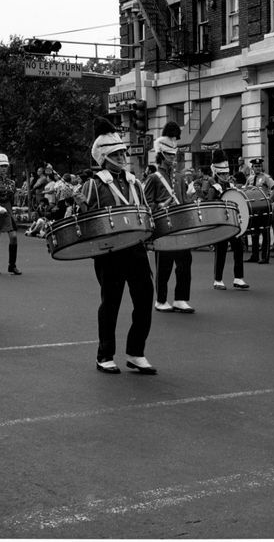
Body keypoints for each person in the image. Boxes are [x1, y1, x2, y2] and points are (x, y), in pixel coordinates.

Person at [76, 116, 156, 375]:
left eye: (123, 152)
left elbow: (144, 211)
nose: (122, 156)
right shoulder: (93, 184)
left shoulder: (134, 182)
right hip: (109, 250)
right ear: (104, 156)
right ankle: (105, 355)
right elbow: (84, 219)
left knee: (144, 298)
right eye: (117, 153)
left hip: (135, 248)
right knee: (110, 302)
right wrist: (77, 204)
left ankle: (136, 352)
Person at [144, 122, 196, 314]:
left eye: (175, 155)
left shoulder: (181, 177)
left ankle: (181, 298)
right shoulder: (153, 178)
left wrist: (191, 198)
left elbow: (183, 200)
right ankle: (161, 299)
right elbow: (146, 204)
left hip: (180, 226)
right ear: (161, 155)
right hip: (164, 227)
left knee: (185, 263)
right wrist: (160, 206)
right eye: (169, 155)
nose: (173, 159)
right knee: (164, 265)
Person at [193, 150, 250, 291]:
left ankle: (238, 278)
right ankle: (218, 279)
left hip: (232, 223)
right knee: (221, 251)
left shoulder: (230, 187)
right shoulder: (214, 188)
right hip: (220, 224)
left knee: (238, 248)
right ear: (217, 173)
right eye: (222, 174)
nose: (225, 176)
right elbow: (209, 206)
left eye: (226, 173)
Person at [0, 153, 22, 275]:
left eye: (5, 166)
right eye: (0, 166)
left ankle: (12, 265)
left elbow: (12, 199)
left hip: (7, 210)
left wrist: (13, 208)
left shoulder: (12, 183)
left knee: (13, 237)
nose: (3, 169)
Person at [244, 157, 274, 264]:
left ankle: (265, 256)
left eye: (259, 166)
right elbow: (246, 190)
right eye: (255, 166)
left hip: (264, 206)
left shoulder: (266, 177)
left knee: (265, 231)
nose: (258, 168)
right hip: (254, 208)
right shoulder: (250, 178)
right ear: (252, 167)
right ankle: (254, 255)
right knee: (254, 231)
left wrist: (269, 200)